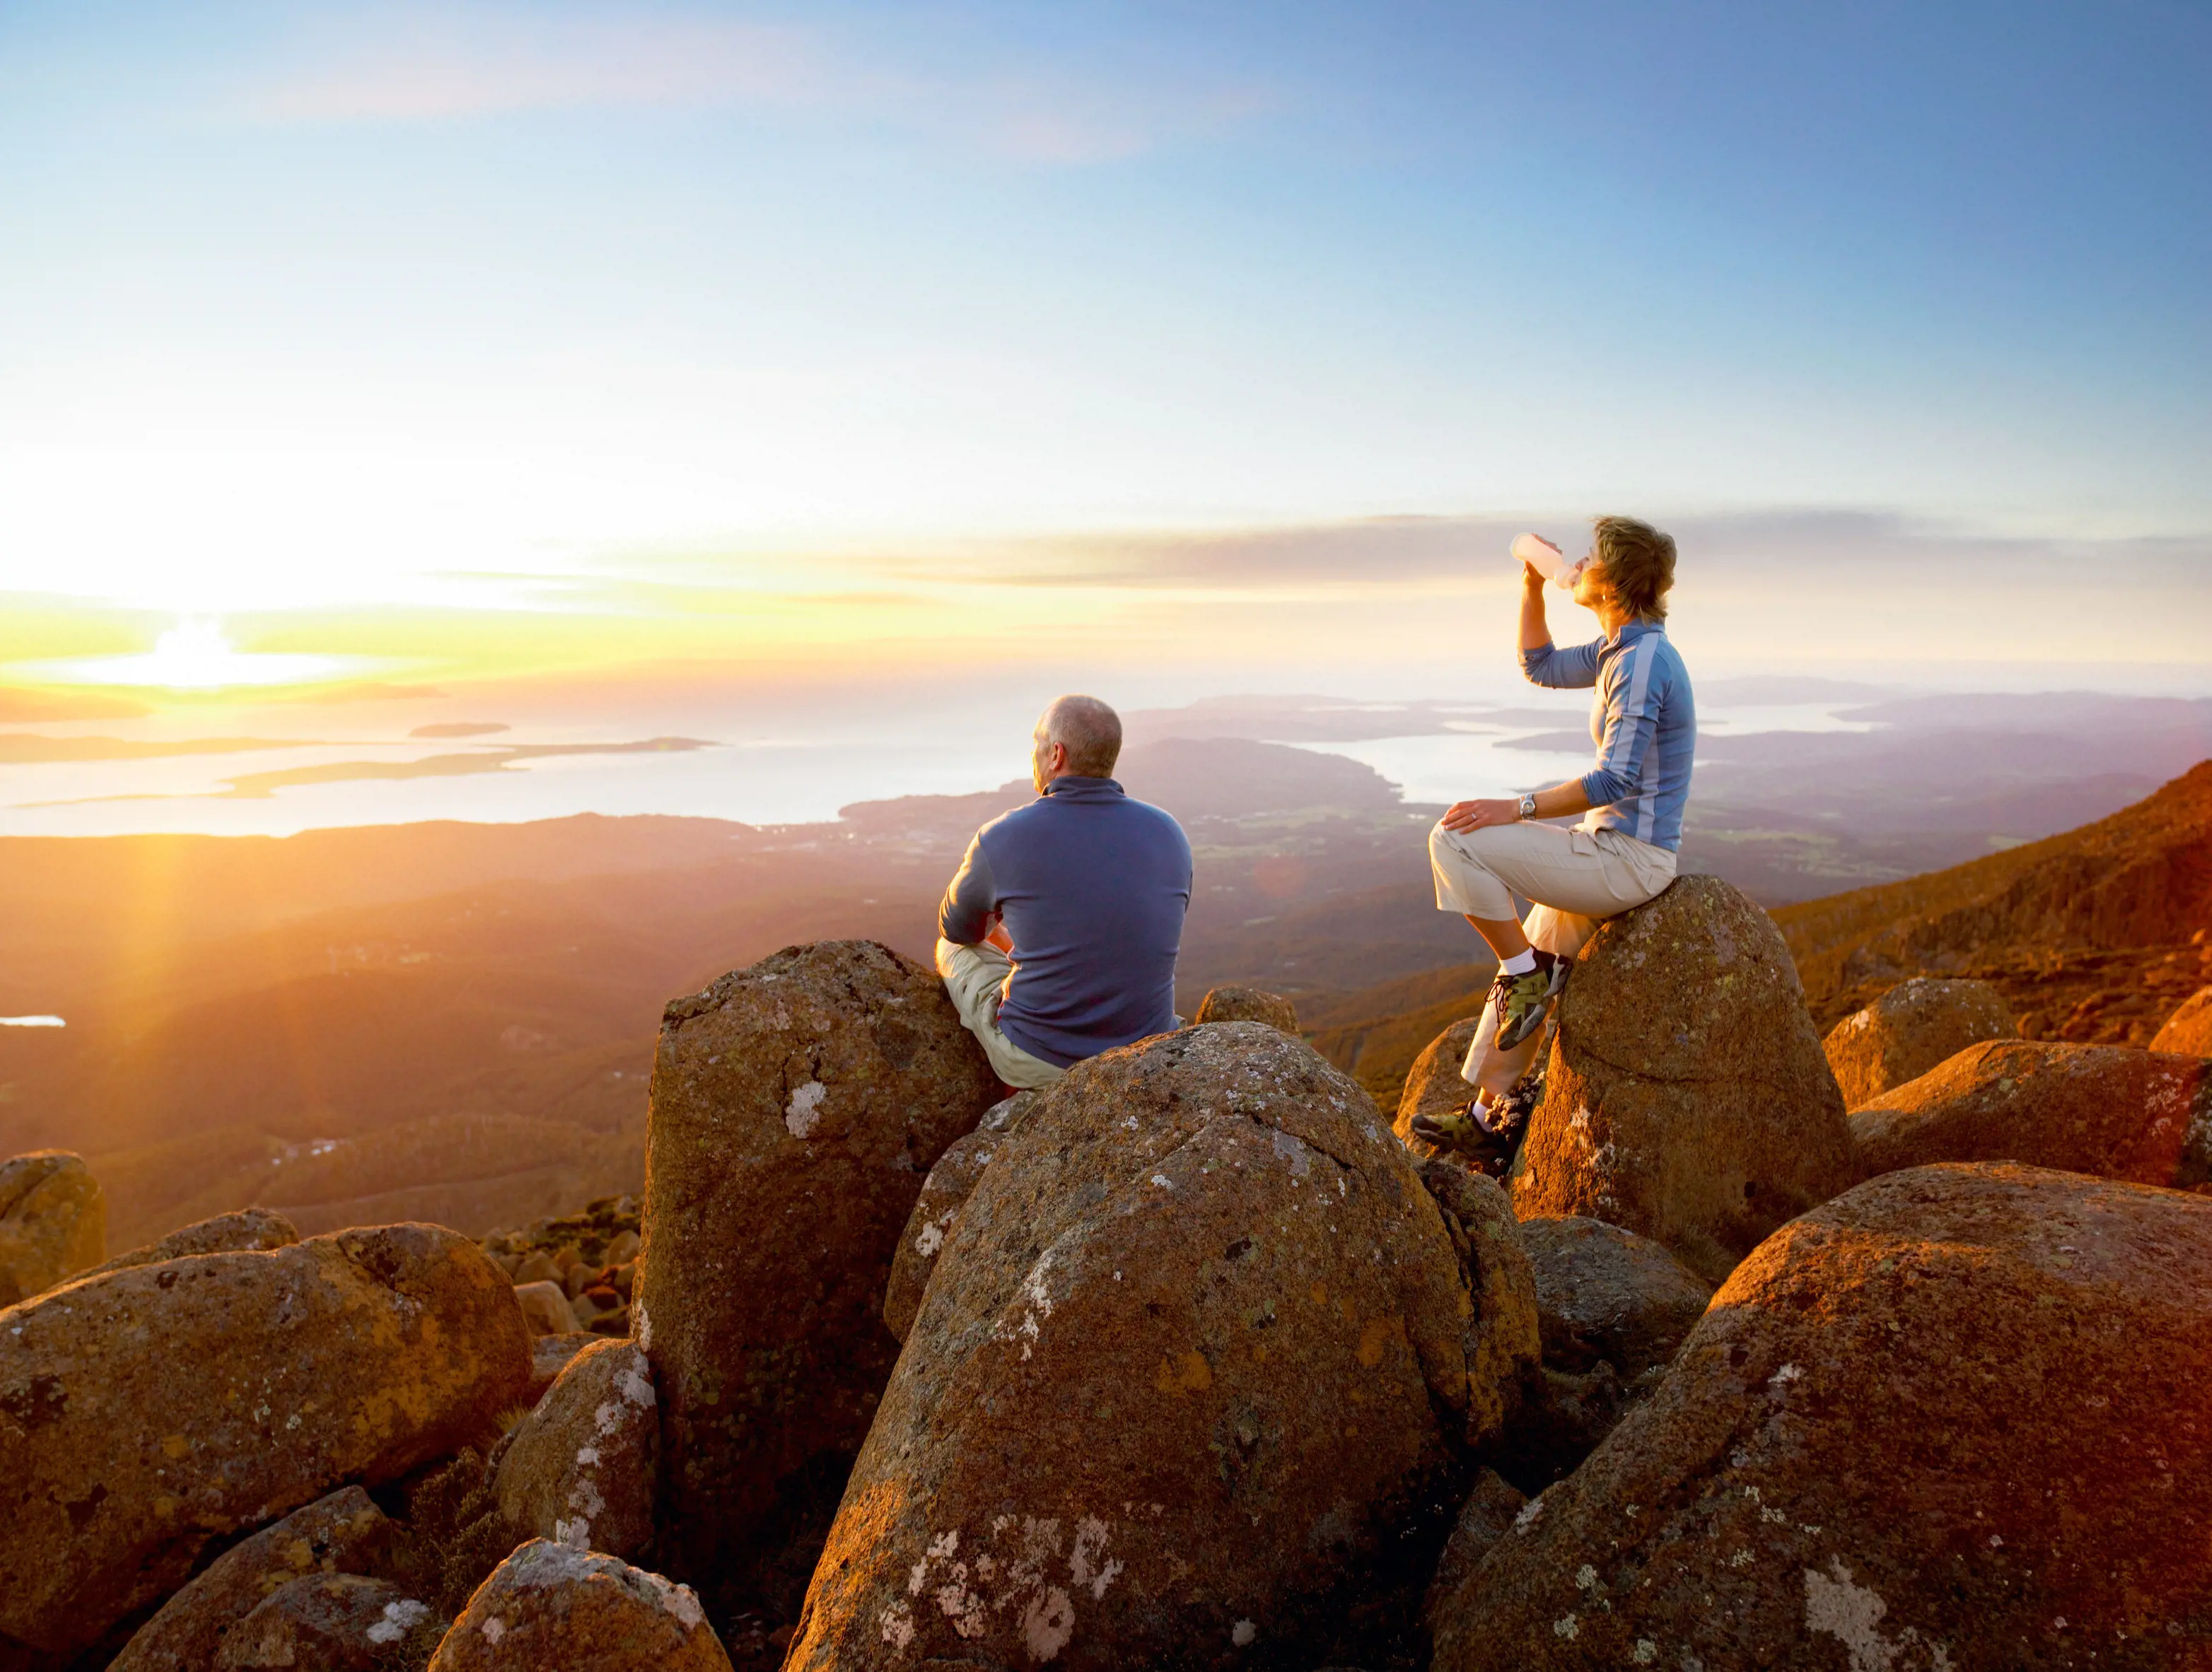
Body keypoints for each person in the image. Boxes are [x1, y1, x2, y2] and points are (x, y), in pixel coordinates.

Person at [1412, 516, 1695, 1155]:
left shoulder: (1642, 660)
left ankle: (1524, 975)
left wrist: (1517, 808)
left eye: (1592, 557)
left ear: (1612, 583)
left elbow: (1615, 777)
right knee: (1534, 950)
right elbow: (1537, 665)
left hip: (1628, 859)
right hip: (1610, 851)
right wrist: (1533, 587)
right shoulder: (1621, 648)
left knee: (1454, 837)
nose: (1580, 562)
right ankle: (1487, 1119)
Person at [936, 694, 1193, 1089]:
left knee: (950, 949)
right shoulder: (1170, 833)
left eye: (1037, 744)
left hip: (1042, 1058)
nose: (1034, 755)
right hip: (1147, 1050)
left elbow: (958, 929)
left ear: (1056, 754)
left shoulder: (1003, 836)